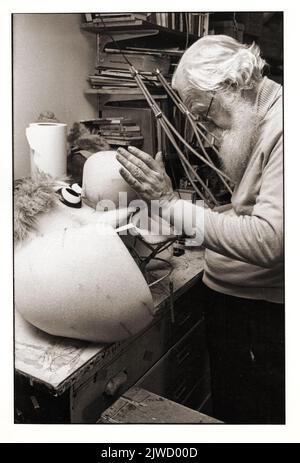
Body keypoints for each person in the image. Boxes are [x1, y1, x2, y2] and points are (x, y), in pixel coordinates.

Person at [116, 34, 284, 424]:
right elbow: (254, 209)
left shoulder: (285, 129)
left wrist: (171, 203)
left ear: (231, 83)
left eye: (203, 110)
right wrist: (208, 212)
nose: (204, 126)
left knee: (251, 419)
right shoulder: (266, 117)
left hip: (260, 318)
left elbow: (271, 241)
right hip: (244, 308)